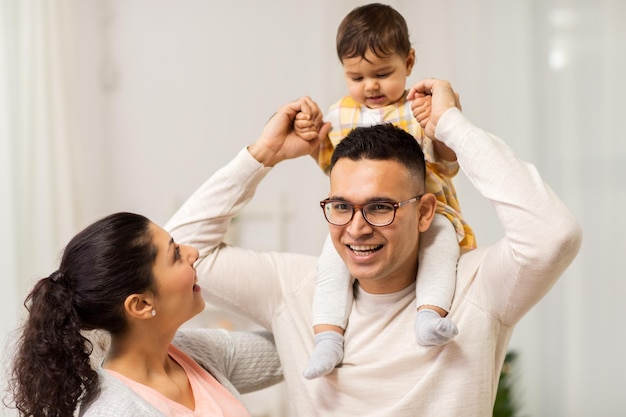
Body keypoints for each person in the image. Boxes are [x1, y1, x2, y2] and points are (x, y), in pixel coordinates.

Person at [165, 81, 582, 416]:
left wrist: (452, 125)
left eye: (380, 207)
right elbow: (179, 247)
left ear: (424, 213)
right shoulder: (292, 290)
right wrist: (264, 154)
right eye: (341, 206)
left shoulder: (478, 289)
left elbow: (554, 234)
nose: (357, 229)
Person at [294, 3, 477, 379]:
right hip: (365, 213)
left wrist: (446, 123)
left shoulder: (419, 108)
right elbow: (333, 165)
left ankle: (429, 313)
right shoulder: (341, 113)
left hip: (430, 207)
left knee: (440, 251)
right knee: (330, 264)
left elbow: (447, 161)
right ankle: (328, 337)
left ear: (409, 63)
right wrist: (311, 138)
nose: (371, 86)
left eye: (382, 73)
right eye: (356, 77)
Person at [5, 212, 282, 417]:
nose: (194, 252)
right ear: (140, 305)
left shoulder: (196, 353)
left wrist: (260, 155)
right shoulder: (116, 412)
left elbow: (297, 344)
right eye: (175, 254)